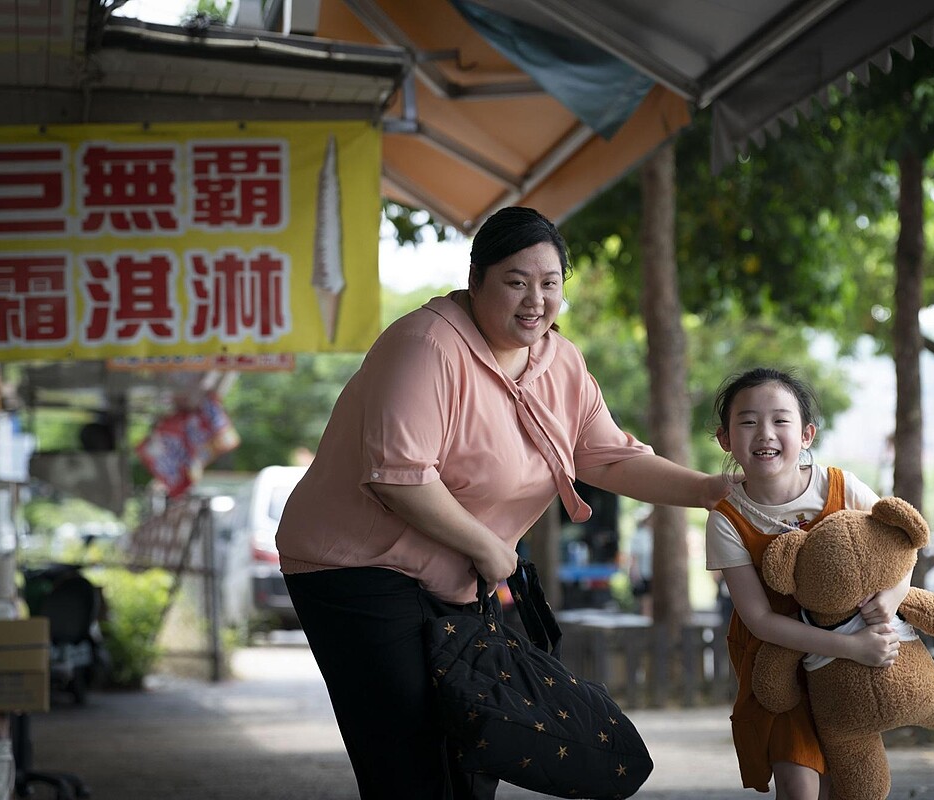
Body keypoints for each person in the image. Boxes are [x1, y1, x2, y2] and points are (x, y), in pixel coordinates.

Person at [275, 206, 733, 800]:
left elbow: (607, 455)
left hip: (458, 576)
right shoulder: (425, 345)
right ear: (476, 280)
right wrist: (489, 547)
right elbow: (400, 476)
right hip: (356, 569)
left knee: (476, 740)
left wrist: (709, 491)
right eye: (516, 282)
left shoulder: (559, 361)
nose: (535, 301)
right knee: (408, 755)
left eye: (550, 284)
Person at [704, 367, 911, 800]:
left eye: (781, 420)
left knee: (847, 780)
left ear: (806, 434)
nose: (765, 433)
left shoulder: (841, 486)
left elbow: (903, 549)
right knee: (798, 783)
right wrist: (851, 646)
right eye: (748, 421)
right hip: (777, 662)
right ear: (725, 439)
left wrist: (891, 599)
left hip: (847, 664)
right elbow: (759, 619)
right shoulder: (727, 520)